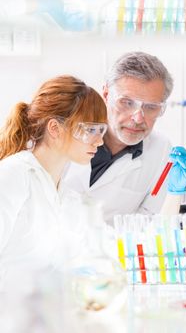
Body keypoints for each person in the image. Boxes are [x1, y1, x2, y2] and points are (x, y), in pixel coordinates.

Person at [0, 75, 109, 288]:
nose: (100, 140)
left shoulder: (66, 196)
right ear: (55, 128)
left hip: (41, 315)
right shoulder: (14, 175)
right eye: (89, 130)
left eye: (101, 130)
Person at [64, 52, 186, 222]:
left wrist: (174, 194)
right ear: (106, 95)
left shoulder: (161, 150)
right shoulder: (67, 132)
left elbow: (152, 225)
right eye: (126, 102)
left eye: (151, 107)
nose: (138, 118)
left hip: (112, 247)